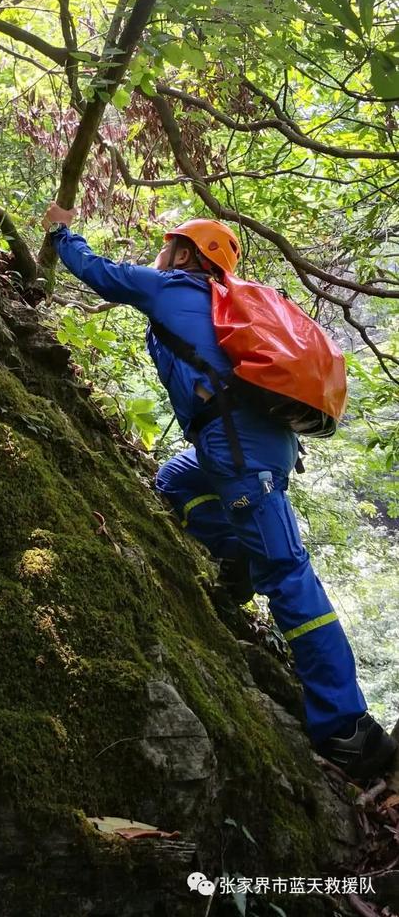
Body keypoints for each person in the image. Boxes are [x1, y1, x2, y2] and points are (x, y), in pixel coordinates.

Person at [43, 203, 397, 786]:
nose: (161, 252)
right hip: (245, 446)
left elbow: (98, 271)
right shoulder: (224, 305)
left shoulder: (170, 287)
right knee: (176, 480)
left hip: (238, 449)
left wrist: (61, 230)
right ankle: (233, 560)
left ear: (187, 255)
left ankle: (346, 727)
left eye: (170, 244)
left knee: (287, 573)